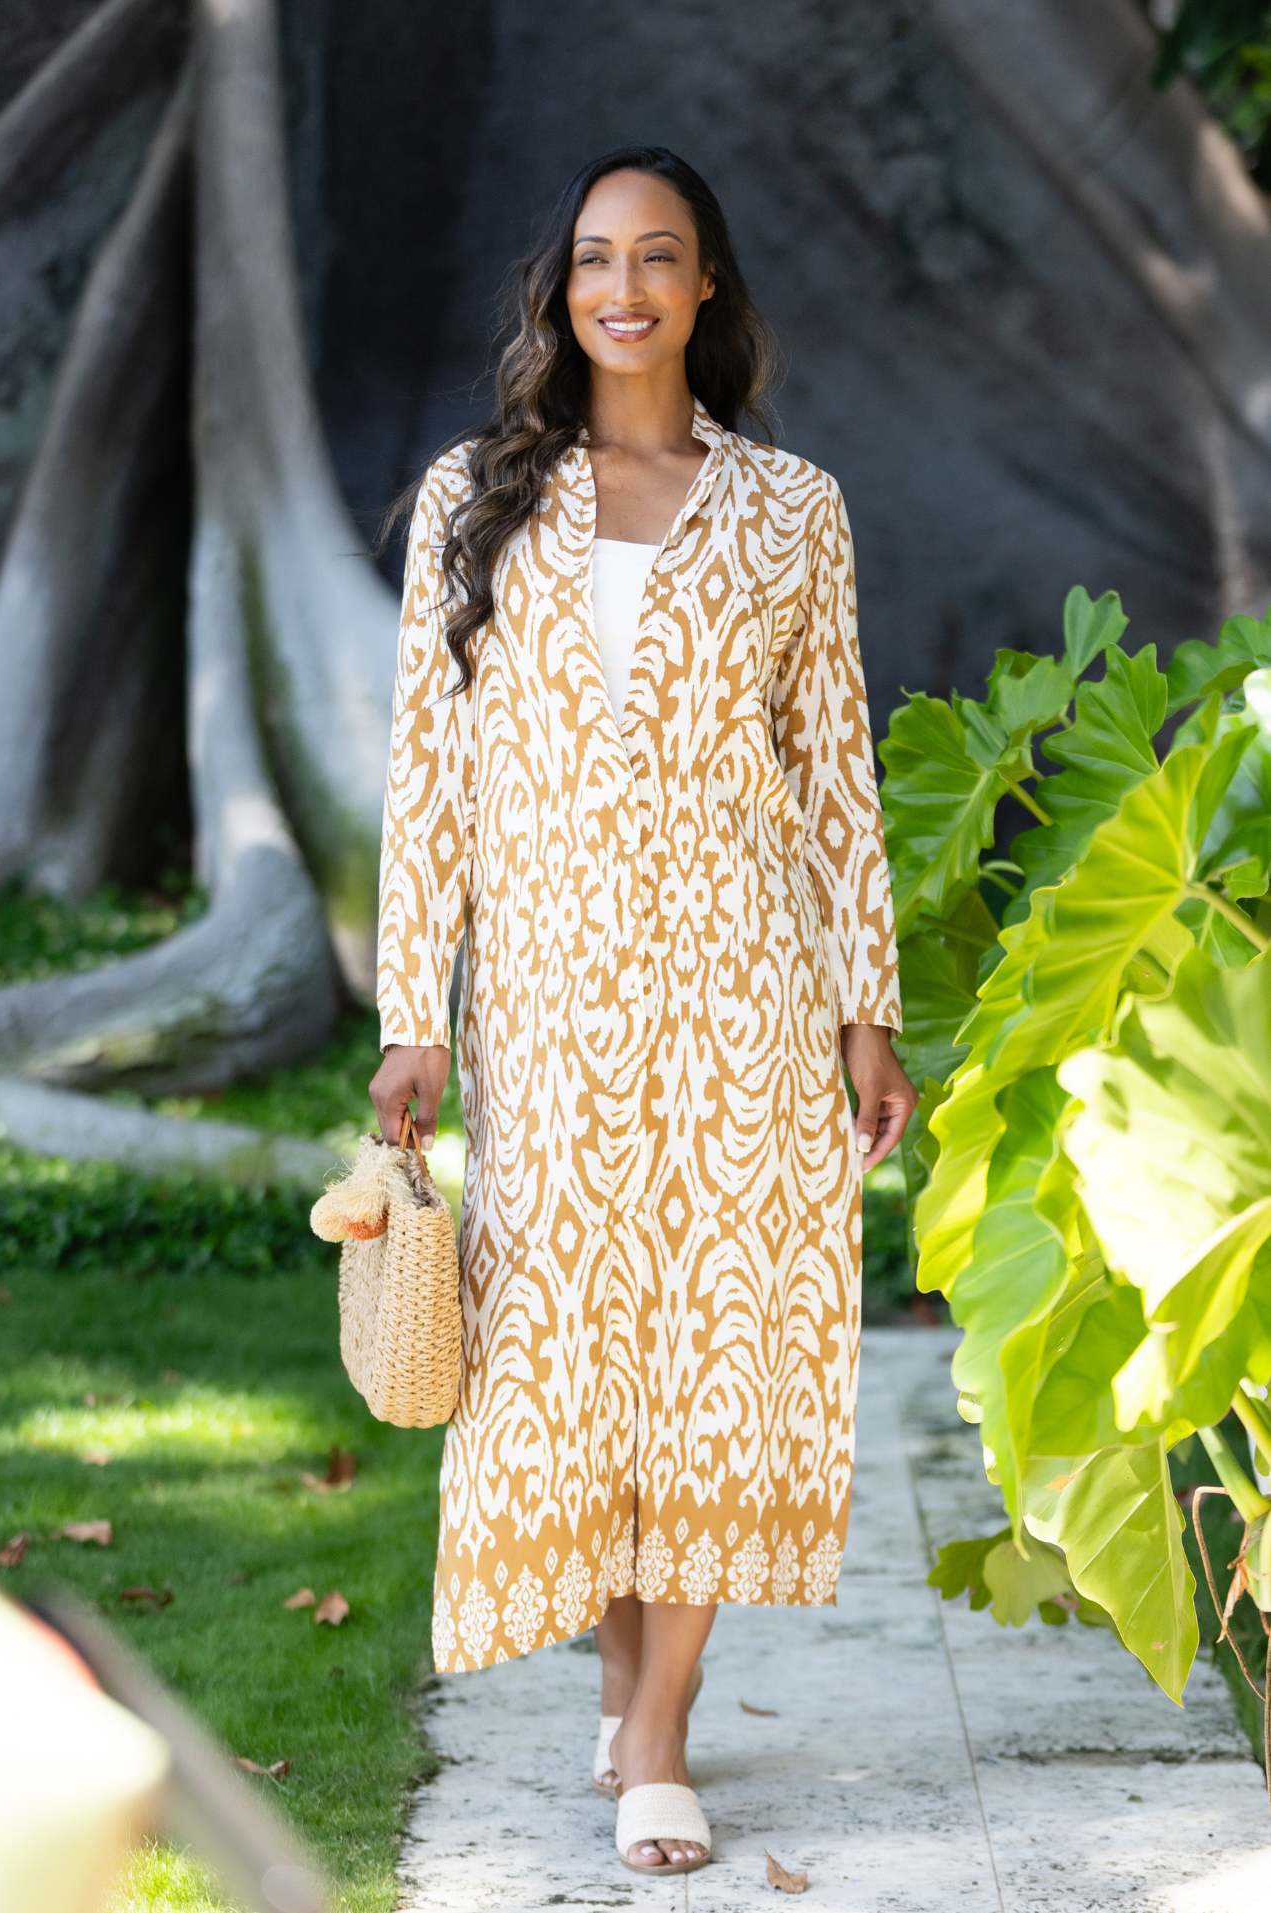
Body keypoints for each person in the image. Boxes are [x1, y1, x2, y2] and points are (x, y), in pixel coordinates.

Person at [369, 142, 917, 1880]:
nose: (624, 286)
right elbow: (430, 778)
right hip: (544, 1006)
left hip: (745, 988)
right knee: (577, 1341)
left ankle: (662, 1722)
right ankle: (622, 1684)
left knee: (717, 1340)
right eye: (596, 257)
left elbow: (837, 777)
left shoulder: (793, 508)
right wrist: (413, 1008)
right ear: (563, 288)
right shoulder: (474, 498)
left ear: (705, 287)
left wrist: (866, 1008)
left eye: (658, 255)